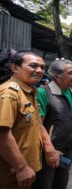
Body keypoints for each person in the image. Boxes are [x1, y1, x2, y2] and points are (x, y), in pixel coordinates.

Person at [0, 51, 60, 188]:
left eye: (42, 67)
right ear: (15, 68)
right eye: (33, 66)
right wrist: (21, 167)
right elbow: (2, 134)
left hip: (28, 172)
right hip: (12, 174)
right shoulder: (9, 94)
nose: (39, 70)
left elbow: (37, 122)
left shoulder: (29, 92)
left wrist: (49, 148)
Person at [32, 59, 72, 189]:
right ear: (56, 76)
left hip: (67, 149)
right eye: (71, 73)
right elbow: (38, 124)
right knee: (45, 184)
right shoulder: (43, 92)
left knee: (61, 183)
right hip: (49, 151)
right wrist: (49, 150)